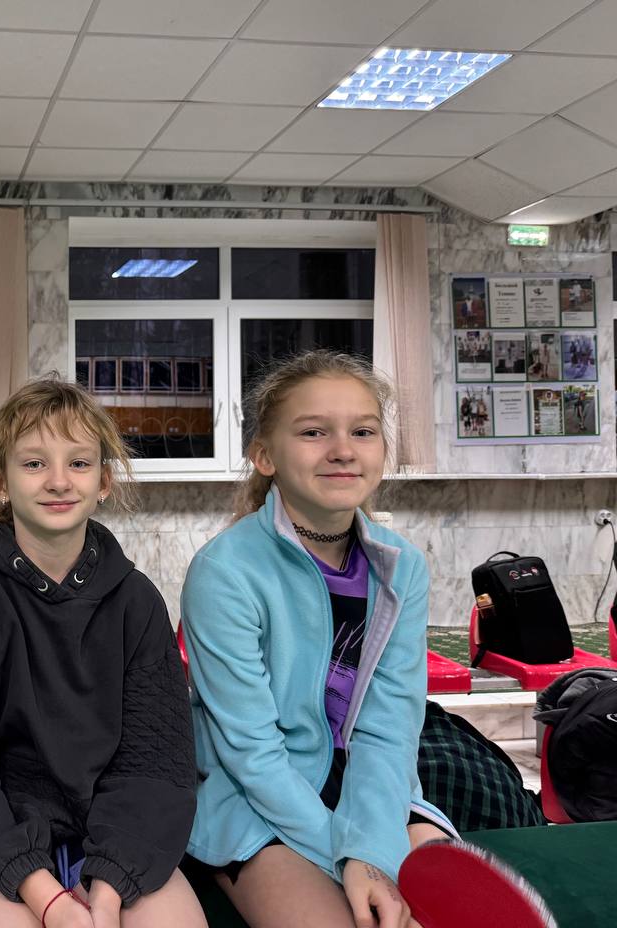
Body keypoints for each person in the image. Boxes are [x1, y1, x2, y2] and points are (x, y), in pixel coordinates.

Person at [0, 378, 205, 928]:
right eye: (33, 464)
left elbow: (156, 770)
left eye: (79, 463)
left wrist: (108, 892)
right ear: (0, 481)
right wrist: (49, 900)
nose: (58, 481)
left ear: (104, 481)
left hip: (120, 844)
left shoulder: (137, 603)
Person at [181, 350, 456, 928]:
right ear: (264, 455)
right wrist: (349, 856)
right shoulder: (225, 572)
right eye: (313, 432)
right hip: (255, 799)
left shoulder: (401, 566)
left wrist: (371, 847)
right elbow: (251, 752)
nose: (343, 449)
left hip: (370, 791)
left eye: (363, 431)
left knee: (443, 907)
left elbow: (388, 728)